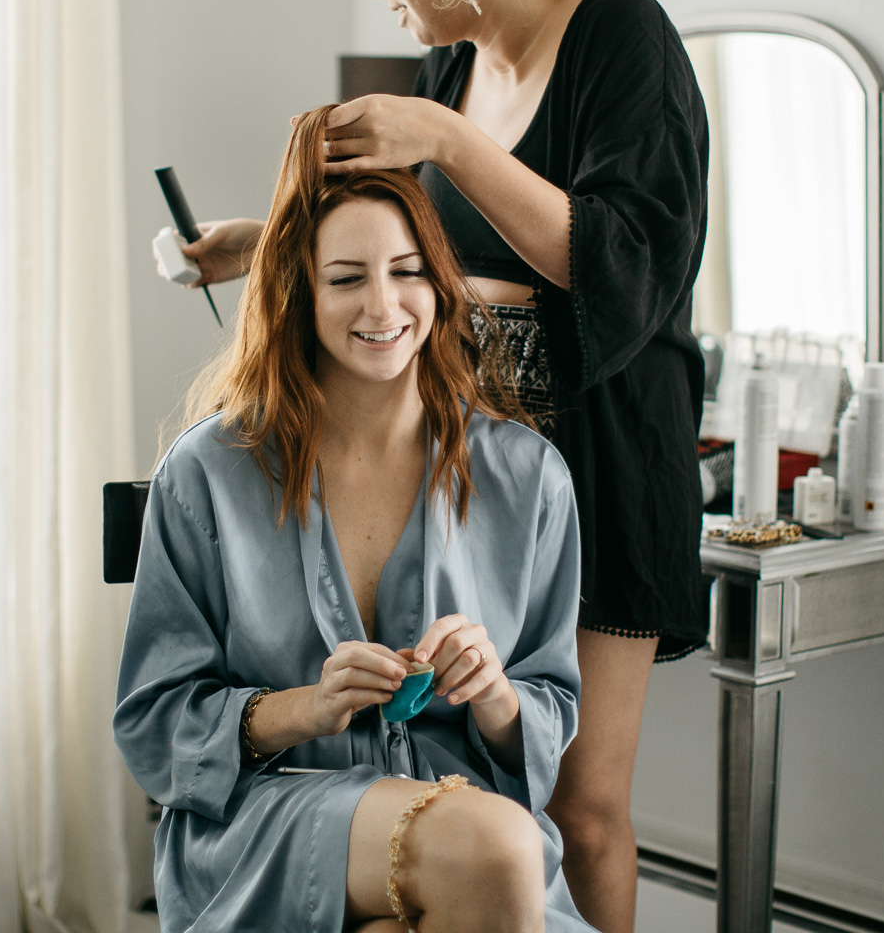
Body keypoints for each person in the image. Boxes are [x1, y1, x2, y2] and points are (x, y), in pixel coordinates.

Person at [183, 0, 710, 933]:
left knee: (581, 800)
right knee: (477, 781)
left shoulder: (623, 42)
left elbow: (623, 266)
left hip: (607, 468)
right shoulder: (451, 70)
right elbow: (425, 253)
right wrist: (260, 238)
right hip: (479, 477)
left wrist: (449, 138)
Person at [114, 107, 597, 933]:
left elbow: (549, 703)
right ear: (301, 291)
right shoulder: (208, 473)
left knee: (465, 873)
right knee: (495, 849)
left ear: (440, 286)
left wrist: (495, 697)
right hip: (270, 821)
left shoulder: (529, 477)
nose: (383, 305)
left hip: (473, 834)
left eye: (408, 271)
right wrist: (309, 705)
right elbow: (155, 726)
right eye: (346, 279)